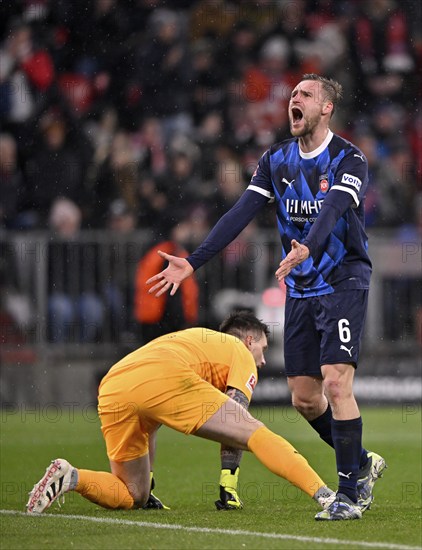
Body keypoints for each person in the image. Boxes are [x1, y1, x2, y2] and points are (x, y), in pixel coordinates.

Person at [146, 74, 387, 521]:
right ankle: (364, 463)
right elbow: (240, 213)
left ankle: (350, 494)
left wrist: (307, 247)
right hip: (298, 288)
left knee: (336, 383)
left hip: (342, 282)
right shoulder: (275, 160)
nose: (295, 99)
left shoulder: (348, 158)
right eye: (293, 94)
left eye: (306, 95)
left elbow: (333, 207)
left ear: (327, 108)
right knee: (304, 398)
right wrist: (193, 262)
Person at [27, 311, 336, 517]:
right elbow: (238, 414)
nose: (263, 360)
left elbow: (152, 415)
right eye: (264, 349)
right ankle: (325, 496)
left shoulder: (196, 342)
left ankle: (71, 477)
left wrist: (148, 478)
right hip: (163, 376)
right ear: (249, 340)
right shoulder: (238, 349)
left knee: (134, 493)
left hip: (114, 384)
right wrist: (228, 482)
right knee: (258, 434)